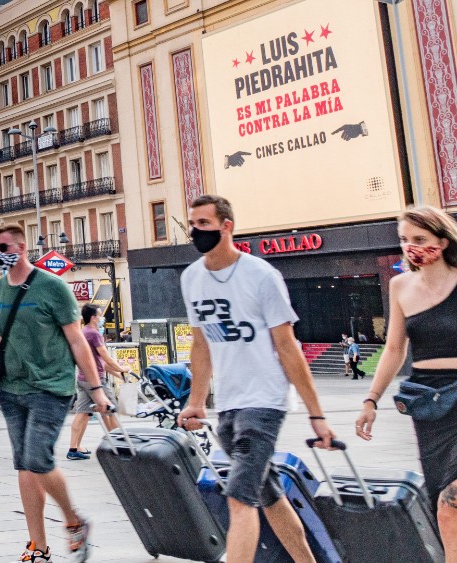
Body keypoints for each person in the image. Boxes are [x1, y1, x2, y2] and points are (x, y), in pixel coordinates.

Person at [176, 195, 334, 563]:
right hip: (230, 400)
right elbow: (201, 344)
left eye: (203, 224)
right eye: (192, 224)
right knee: (268, 494)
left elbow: (287, 347)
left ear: (226, 226)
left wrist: (317, 413)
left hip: (265, 400)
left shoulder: (261, 276)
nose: (195, 232)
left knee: (238, 495)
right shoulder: (192, 278)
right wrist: (196, 399)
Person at [0, 224, 112, 563]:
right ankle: (38, 546)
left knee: (37, 458)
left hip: (52, 385)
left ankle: (74, 522)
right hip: (13, 387)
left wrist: (97, 390)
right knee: (25, 466)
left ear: (21, 246)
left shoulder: (53, 287)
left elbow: (77, 340)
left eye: (4, 246)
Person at [356, 205, 457, 557]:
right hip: (428, 402)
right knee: (439, 504)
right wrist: (371, 400)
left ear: (442, 242)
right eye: (404, 240)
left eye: (420, 239)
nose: (411, 247)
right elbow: (395, 348)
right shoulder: (400, 286)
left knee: (452, 501)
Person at [67, 305, 130, 461]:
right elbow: (105, 357)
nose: (103, 319)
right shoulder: (94, 334)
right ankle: (117, 445)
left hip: (83, 379)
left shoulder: (84, 333)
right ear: (93, 317)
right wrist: (123, 368)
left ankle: (73, 448)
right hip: (96, 381)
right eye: (100, 316)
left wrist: (117, 373)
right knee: (111, 409)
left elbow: (99, 361)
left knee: (82, 414)